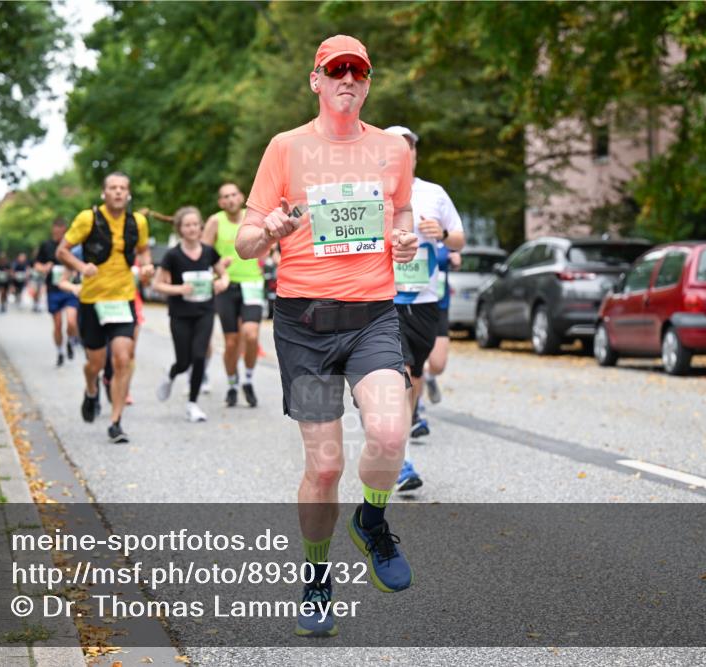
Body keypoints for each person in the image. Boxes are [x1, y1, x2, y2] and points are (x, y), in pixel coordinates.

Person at [236, 35, 419, 637]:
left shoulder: (393, 150)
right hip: (305, 327)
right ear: (316, 80)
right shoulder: (285, 148)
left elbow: (400, 213)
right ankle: (316, 580)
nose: (348, 79)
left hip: (371, 318)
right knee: (324, 465)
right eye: (336, 70)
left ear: (367, 84)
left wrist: (406, 237)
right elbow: (244, 240)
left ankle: (371, 521)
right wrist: (270, 228)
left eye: (358, 72)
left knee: (391, 434)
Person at [383, 125, 465, 492]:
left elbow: (460, 236)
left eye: (410, 149)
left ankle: (398, 432)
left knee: (415, 375)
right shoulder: (374, 192)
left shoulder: (434, 194)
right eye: (397, 148)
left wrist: (443, 236)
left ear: (415, 155)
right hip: (385, 300)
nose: (405, 154)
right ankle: (401, 462)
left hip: (427, 300)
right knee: (397, 375)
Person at [57, 172, 152, 444]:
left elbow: (143, 251)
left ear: (129, 194)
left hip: (123, 299)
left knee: (122, 358)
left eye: (123, 188)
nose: (118, 192)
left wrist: (145, 267)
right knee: (95, 363)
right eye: (113, 188)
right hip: (92, 301)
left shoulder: (138, 222)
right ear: (104, 193)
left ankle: (115, 422)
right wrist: (81, 267)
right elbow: (62, 251)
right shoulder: (88, 219)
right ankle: (91, 388)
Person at [154, 207, 229, 422]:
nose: (192, 228)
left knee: (199, 356)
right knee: (184, 361)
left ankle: (192, 403)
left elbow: (224, 275)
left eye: (196, 224)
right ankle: (171, 374)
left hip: (205, 311)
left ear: (201, 226)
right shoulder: (172, 255)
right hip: (180, 314)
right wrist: (179, 289)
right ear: (179, 229)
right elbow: (157, 284)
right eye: (187, 225)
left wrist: (220, 284)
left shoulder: (208, 252)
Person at [203, 183, 264, 408]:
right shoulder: (215, 221)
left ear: (242, 197)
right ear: (221, 202)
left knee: (250, 334)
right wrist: (216, 271)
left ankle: (247, 380)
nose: (230, 199)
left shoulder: (254, 217)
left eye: (233, 195)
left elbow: (269, 243)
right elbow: (203, 254)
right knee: (231, 342)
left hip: (252, 283)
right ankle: (231, 384)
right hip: (226, 286)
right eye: (225, 196)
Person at [102, 245, 149, 405]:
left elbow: (146, 283)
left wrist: (146, 274)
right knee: (109, 354)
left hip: (133, 305)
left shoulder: (140, 256)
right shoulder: (108, 253)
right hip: (108, 305)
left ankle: (125, 389)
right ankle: (108, 377)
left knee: (129, 353)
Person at [35, 219, 80, 366]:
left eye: (61, 232)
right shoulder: (46, 246)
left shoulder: (73, 246)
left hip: (70, 288)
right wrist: (44, 268)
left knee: (72, 321)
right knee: (58, 324)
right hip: (53, 289)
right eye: (56, 232)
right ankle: (60, 351)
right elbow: (36, 264)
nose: (58, 234)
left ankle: (71, 341)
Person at [423, 247, 460, 404]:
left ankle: (429, 377)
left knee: (438, 364)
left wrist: (456, 259)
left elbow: (456, 254)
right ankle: (415, 410)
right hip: (407, 305)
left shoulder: (442, 232)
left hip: (439, 306)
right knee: (409, 366)